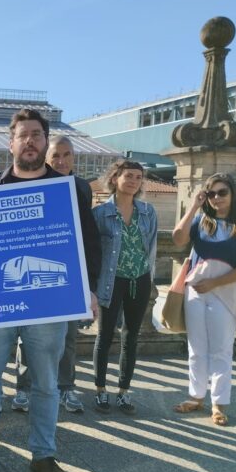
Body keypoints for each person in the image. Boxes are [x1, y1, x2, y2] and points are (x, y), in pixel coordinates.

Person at [0, 109, 101, 472]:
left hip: (50, 307)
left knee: (45, 383)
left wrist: (89, 291)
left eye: (37, 135)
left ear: (45, 141)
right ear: (11, 143)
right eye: (22, 135)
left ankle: (43, 456)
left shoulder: (70, 189)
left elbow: (88, 245)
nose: (30, 141)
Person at [171, 173, 236, 426]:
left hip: (225, 292)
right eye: (211, 193)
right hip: (195, 292)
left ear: (232, 194)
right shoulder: (201, 220)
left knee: (221, 350)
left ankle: (219, 404)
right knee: (196, 349)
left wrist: (215, 282)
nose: (217, 198)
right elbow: (178, 238)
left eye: (222, 192)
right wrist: (194, 207)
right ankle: (195, 396)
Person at [12, 135, 92, 414]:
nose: (61, 161)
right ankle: (23, 388)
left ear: (73, 158)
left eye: (66, 155)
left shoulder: (82, 187)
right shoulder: (32, 183)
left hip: (66, 273)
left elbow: (86, 235)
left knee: (68, 335)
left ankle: (66, 387)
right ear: (46, 158)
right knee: (26, 334)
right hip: (36, 272)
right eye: (56, 155)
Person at [91, 160, 157, 416]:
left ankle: (124, 391)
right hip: (111, 280)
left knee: (131, 336)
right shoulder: (100, 213)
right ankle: (100, 390)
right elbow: (95, 252)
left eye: (138, 177)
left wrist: (148, 276)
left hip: (139, 279)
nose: (133, 181)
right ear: (115, 177)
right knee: (105, 335)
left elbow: (150, 246)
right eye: (128, 175)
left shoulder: (148, 212)